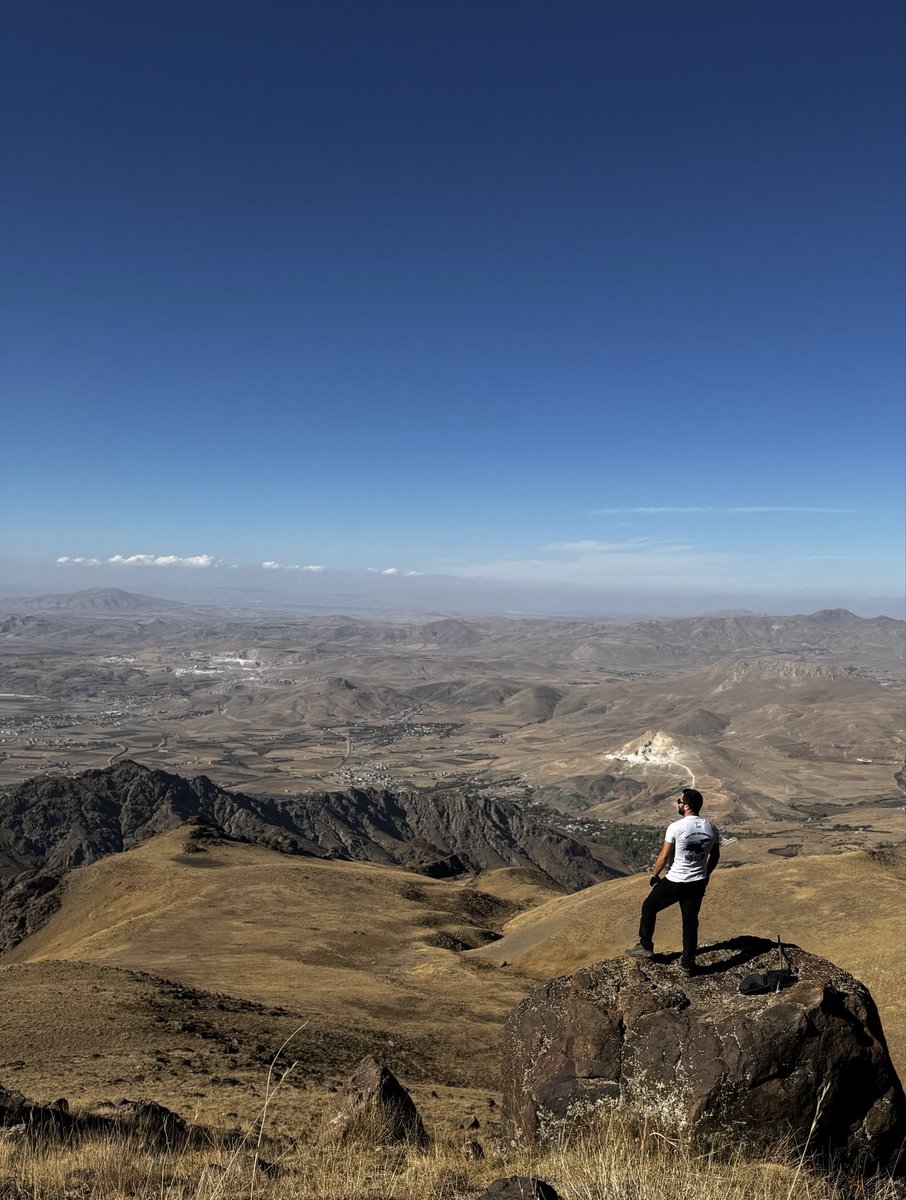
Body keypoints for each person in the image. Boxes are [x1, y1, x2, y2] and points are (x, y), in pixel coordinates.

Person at [626, 787, 720, 974]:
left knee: (649, 906)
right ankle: (688, 963)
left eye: (680, 801)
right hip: (698, 881)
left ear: (686, 806)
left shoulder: (676, 827)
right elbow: (715, 856)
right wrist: (706, 874)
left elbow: (663, 856)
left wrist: (654, 875)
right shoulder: (711, 827)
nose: (677, 804)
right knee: (690, 922)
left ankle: (645, 947)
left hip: (676, 880)